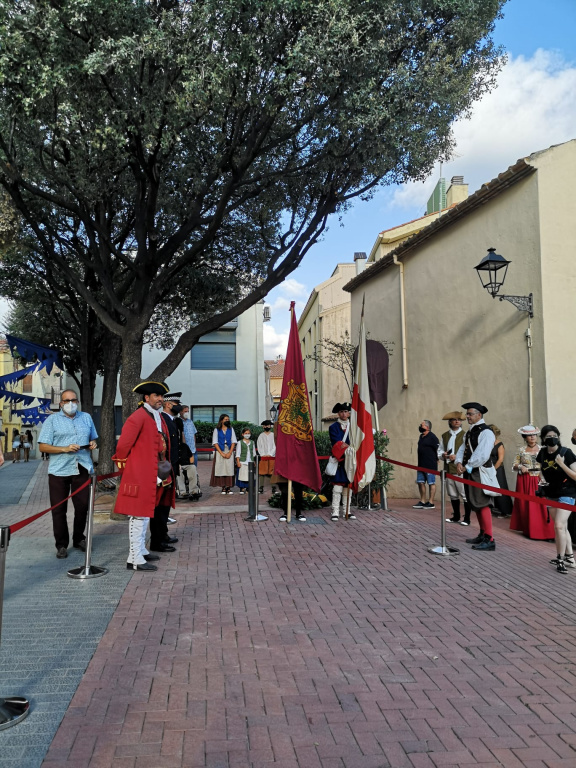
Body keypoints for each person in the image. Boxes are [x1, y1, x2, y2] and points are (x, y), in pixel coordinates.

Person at [112, 381, 174, 571]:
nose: (161, 399)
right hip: (140, 472)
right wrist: (128, 465)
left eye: (162, 396)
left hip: (152, 471)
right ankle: (134, 558)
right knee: (138, 516)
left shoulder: (155, 416)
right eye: (157, 396)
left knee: (146, 514)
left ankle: (141, 551)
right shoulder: (138, 416)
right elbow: (123, 446)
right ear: (147, 398)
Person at [38, 389, 98, 559]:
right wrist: (64, 448)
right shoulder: (52, 420)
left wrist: (93, 443)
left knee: (82, 506)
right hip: (59, 470)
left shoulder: (86, 417)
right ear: (61, 403)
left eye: (74, 400)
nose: (70, 403)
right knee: (58, 509)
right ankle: (61, 544)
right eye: (67, 400)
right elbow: (43, 446)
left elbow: (93, 438)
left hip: (82, 467)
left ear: (77, 402)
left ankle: (79, 538)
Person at [455, 402, 496, 551]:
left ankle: (490, 538)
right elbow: (462, 448)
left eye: (470, 414)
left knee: (482, 503)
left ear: (479, 415)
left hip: (479, 472)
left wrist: (468, 465)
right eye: (467, 414)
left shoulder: (486, 432)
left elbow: (482, 454)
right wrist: (459, 462)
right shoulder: (470, 432)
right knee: (475, 503)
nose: (467, 416)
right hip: (470, 471)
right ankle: (483, 533)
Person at [537, 425, 576, 574]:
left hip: (568, 492)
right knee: (562, 526)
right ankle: (570, 558)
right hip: (551, 492)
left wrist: (561, 464)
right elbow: (541, 469)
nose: (551, 438)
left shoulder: (567, 453)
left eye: (554, 435)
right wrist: (541, 479)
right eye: (548, 437)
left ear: (559, 437)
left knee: (559, 526)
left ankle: (560, 559)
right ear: (544, 439)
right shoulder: (542, 453)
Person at [509, 425, 551, 539]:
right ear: (525, 437)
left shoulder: (543, 449)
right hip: (525, 480)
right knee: (527, 505)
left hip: (539, 478)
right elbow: (514, 465)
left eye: (534, 435)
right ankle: (530, 531)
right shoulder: (521, 450)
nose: (532, 437)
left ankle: (547, 532)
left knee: (542, 505)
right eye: (529, 435)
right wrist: (521, 466)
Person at [151, 393, 181, 548]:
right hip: (163, 469)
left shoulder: (171, 421)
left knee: (165, 504)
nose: (179, 406)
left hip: (170, 467)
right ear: (168, 404)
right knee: (160, 505)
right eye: (176, 403)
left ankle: (163, 534)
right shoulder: (161, 420)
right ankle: (158, 540)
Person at [438, 411, 470, 525]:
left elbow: (468, 451)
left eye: (459, 420)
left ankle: (467, 518)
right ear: (450, 422)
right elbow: (440, 450)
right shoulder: (445, 435)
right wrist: (443, 455)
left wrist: (457, 457)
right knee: (452, 494)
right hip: (448, 468)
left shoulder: (466, 435)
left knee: (464, 494)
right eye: (455, 420)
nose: (457, 421)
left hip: (459, 468)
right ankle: (456, 516)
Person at [329, 402, 355, 521]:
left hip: (351, 460)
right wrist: (348, 447)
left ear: (349, 413)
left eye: (345, 411)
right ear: (338, 413)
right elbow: (337, 443)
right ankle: (335, 511)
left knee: (347, 487)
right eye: (341, 412)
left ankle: (347, 511)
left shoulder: (354, 427)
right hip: (340, 459)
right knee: (337, 487)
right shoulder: (333, 427)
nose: (343, 414)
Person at [413, 420, 439, 509]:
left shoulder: (432, 437)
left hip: (430, 464)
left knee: (431, 483)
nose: (420, 426)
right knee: (421, 483)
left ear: (427, 427)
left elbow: (438, 449)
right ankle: (422, 501)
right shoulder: (421, 436)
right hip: (421, 464)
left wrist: (437, 458)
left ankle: (431, 502)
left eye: (422, 425)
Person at [488, 425, 513, 518]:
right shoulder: (486, 444)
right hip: (487, 468)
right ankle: (494, 508)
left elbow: (500, 459)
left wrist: (493, 470)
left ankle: (505, 510)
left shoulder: (499, 444)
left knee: (501, 488)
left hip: (497, 469)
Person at [210, 414, 237, 494]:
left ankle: (229, 487)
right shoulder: (216, 430)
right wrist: (221, 453)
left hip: (229, 449)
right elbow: (215, 442)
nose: (227, 421)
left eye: (228, 419)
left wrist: (230, 453)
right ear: (221, 420)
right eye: (225, 419)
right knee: (221, 468)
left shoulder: (231, 429)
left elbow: (233, 441)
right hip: (220, 450)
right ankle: (223, 487)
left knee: (229, 468)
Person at [236, 426, 256, 495]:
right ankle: (242, 488)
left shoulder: (252, 442)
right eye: (246, 433)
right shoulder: (240, 442)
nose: (247, 434)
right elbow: (238, 453)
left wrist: (254, 461)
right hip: (243, 461)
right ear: (242, 434)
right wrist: (238, 461)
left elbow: (253, 453)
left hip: (250, 461)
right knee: (242, 474)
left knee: (249, 475)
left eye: (248, 433)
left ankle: (248, 488)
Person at [257, 420, 276, 494]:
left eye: (268, 425)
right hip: (263, 456)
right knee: (262, 472)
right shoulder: (261, 435)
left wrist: (271, 454)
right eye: (265, 425)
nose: (266, 427)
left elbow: (275, 445)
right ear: (263, 426)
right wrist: (262, 454)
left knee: (272, 472)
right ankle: (261, 487)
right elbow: (259, 446)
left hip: (272, 456)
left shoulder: (273, 435)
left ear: (270, 426)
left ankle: (273, 487)